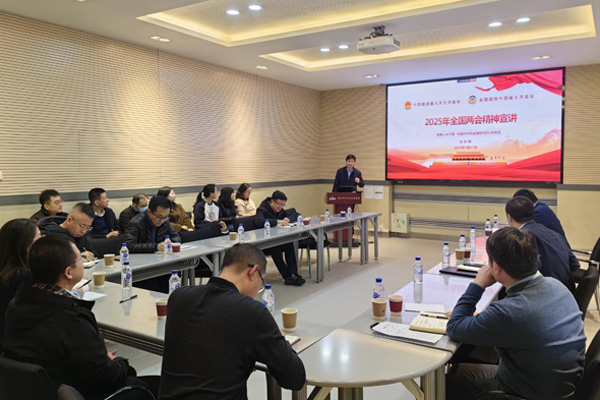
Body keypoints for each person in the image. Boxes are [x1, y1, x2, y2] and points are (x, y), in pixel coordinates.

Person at [446, 227, 585, 400]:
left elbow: (454, 327)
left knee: (444, 384)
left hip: (525, 393)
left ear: (495, 267)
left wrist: (477, 284)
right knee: (459, 370)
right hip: (558, 387)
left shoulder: (509, 311)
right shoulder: (557, 286)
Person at [3, 236, 150, 400]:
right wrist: (118, 362)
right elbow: (104, 377)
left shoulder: (18, 304)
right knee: (138, 384)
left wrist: (99, 361)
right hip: (71, 392)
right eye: (80, 258)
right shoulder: (70, 318)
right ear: (69, 272)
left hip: (37, 390)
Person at [159, 243, 306, 399]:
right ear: (253, 272)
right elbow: (295, 378)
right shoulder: (252, 312)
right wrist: (280, 339)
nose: (258, 289)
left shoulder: (178, 297)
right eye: (261, 282)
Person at [505, 196, 579, 293]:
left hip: (546, 294)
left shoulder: (522, 239)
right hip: (567, 292)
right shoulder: (554, 234)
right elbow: (574, 265)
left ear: (509, 218)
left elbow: (521, 274)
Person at [0, 219, 41, 348]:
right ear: (27, 245)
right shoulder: (24, 276)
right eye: (39, 238)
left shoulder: (6, 271)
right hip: (17, 342)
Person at [256, 191, 305, 286]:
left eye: (283, 205)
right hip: (264, 243)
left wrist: (288, 219)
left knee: (289, 244)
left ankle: (293, 274)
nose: (280, 207)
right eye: (279, 204)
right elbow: (259, 221)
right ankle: (287, 276)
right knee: (275, 249)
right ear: (272, 201)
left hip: (275, 239)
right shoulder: (262, 209)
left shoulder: (280, 210)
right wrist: (278, 221)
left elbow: (295, 214)